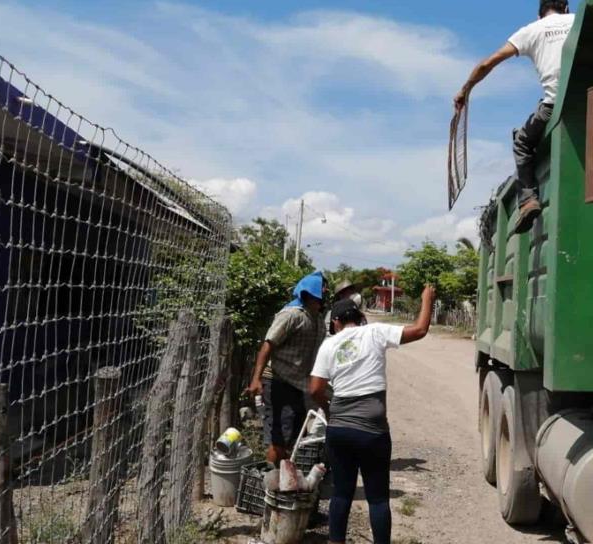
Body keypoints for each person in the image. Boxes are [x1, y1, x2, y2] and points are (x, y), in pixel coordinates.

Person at [309, 284, 436, 544]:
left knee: (341, 493)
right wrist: (427, 299)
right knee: (377, 498)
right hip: (373, 431)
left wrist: (329, 409)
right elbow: (420, 330)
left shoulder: (329, 345)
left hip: (340, 431)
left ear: (335, 322)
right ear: (359, 318)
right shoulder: (375, 333)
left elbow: (315, 389)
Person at [454, 0, 574, 233]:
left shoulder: (530, 31)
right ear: (566, 9)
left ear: (540, 15)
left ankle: (528, 200)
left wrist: (465, 90)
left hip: (554, 106)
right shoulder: (578, 21)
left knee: (522, 142)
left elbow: (488, 63)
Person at [246, 271, 327, 463]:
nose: (325, 293)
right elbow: (268, 345)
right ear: (311, 294)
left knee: (295, 434)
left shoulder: (316, 318)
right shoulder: (291, 315)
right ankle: (271, 481)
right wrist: (256, 379)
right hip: (278, 380)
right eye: (322, 290)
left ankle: (284, 479)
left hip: (299, 383)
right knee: (279, 438)